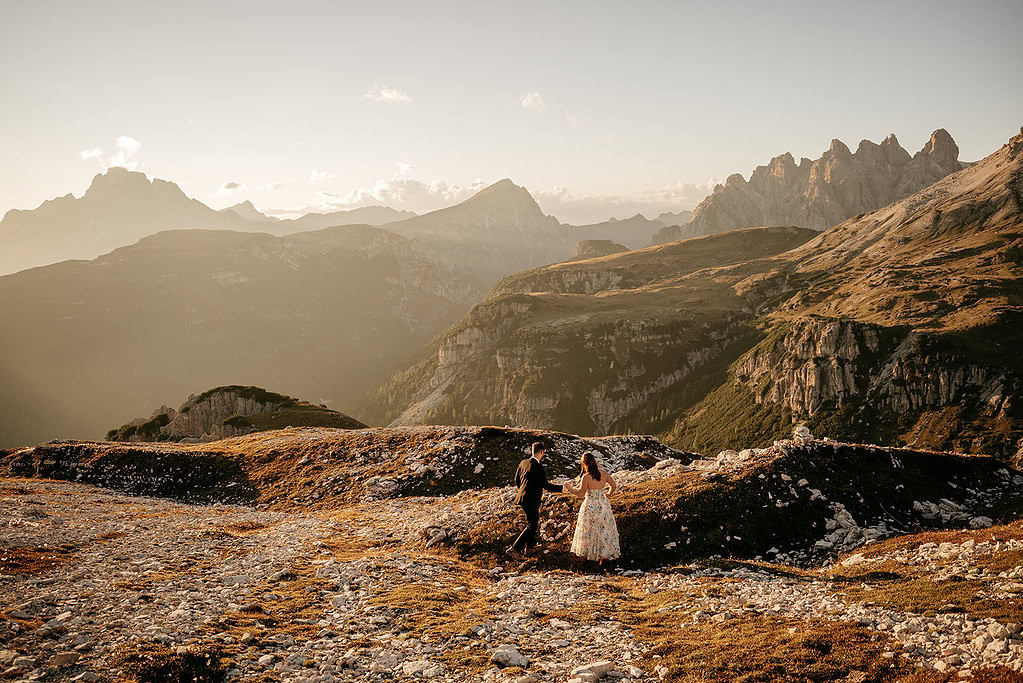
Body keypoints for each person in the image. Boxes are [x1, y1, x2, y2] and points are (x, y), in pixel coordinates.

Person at [507, 442, 564, 558]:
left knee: (532, 522)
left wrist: (523, 491)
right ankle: (515, 548)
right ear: (541, 452)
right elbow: (546, 485)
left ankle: (530, 548)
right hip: (531, 499)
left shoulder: (523, 463)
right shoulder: (538, 467)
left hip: (522, 498)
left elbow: (516, 480)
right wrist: (562, 488)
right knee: (532, 524)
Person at [564, 451, 620, 563]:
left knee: (590, 530)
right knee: (604, 530)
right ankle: (604, 555)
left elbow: (580, 494)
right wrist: (608, 494)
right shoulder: (603, 473)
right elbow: (613, 486)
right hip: (603, 504)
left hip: (590, 505)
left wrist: (568, 487)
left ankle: (591, 555)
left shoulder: (586, 477)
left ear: (584, 464)